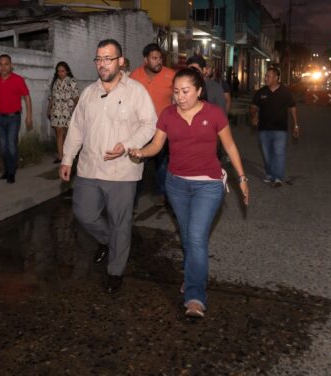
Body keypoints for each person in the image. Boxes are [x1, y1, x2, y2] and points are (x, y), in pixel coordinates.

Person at [129, 68, 249, 318]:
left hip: (208, 184)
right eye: (176, 92)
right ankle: (195, 272)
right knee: (188, 237)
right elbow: (156, 145)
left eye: (185, 91)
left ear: (199, 91)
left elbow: (230, 145)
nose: (179, 97)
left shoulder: (214, 114)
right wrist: (140, 152)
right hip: (177, 185)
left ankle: (195, 295)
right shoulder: (168, 115)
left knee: (195, 236)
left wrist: (242, 177)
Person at [59, 39, 156, 294]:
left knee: (120, 222)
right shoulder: (89, 93)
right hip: (90, 168)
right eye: (99, 59)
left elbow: (149, 125)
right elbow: (77, 128)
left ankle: (115, 271)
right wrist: (68, 158)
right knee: (84, 213)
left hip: (122, 171)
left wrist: (126, 144)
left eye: (108, 58)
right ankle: (107, 240)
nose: (102, 64)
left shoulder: (136, 92)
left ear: (121, 61)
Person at [130, 43, 176, 204]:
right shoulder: (135, 76)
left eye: (160, 58)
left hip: (163, 129)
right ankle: (133, 198)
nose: (158, 61)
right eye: (154, 58)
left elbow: (178, 100)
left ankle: (161, 192)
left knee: (162, 162)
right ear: (146, 60)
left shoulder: (171, 75)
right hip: (141, 129)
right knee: (138, 163)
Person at [0, 54, 33, 184]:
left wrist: (29, 115)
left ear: (11, 65)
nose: (3, 67)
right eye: (1, 64)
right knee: (3, 147)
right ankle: (7, 169)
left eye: (6, 64)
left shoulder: (18, 80)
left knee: (11, 145)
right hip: (0, 118)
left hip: (13, 118)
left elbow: (27, 97)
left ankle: (12, 172)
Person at [250, 67, 299, 187]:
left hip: (280, 129)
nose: (266, 78)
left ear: (277, 78)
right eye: (266, 76)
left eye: (268, 76)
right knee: (267, 154)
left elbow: (292, 107)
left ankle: (278, 177)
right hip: (264, 129)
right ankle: (270, 174)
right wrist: (254, 115)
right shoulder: (261, 92)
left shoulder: (285, 92)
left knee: (279, 152)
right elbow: (254, 106)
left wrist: (296, 124)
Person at [47, 61, 79, 164]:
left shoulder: (71, 81)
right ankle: (60, 156)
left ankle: (72, 154)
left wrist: (77, 110)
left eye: (62, 71)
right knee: (59, 133)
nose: (60, 73)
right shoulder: (55, 82)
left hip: (68, 111)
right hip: (56, 111)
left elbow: (76, 97)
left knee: (70, 134)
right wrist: (49, 109)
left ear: (67, 71)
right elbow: (51, 97)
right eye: (58, 71)